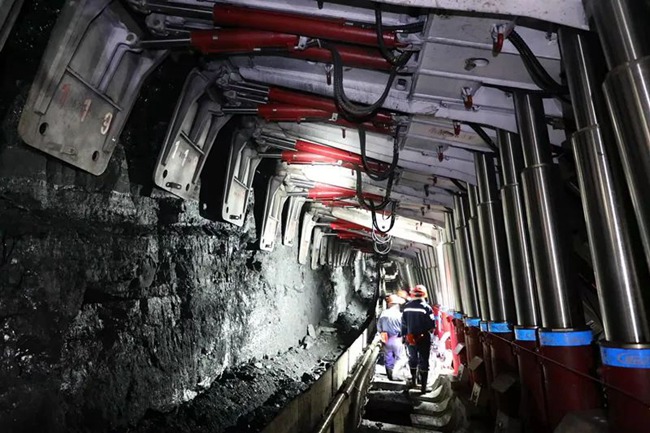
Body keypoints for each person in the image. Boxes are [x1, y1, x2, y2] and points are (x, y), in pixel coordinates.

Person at [401, 284, 435, 393]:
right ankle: (423, 388)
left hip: (410, 338)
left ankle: (414, 382)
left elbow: (403, 324)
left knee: (413, 359)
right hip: (423, 338)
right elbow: (431, 325)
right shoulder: (426, 308)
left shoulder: (407, 307)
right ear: (424, 295)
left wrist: (404, 336)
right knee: (424, 360)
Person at [377, 294, 406, 381]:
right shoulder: (400, 315)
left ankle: (390, 376)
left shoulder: (384, 314)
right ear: (395, 304)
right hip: (397, 338)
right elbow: (404, 328)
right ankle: (395, 375)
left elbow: (379, 327)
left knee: (388, 357)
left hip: (386, 338)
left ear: (389, 304)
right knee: (400, 358)